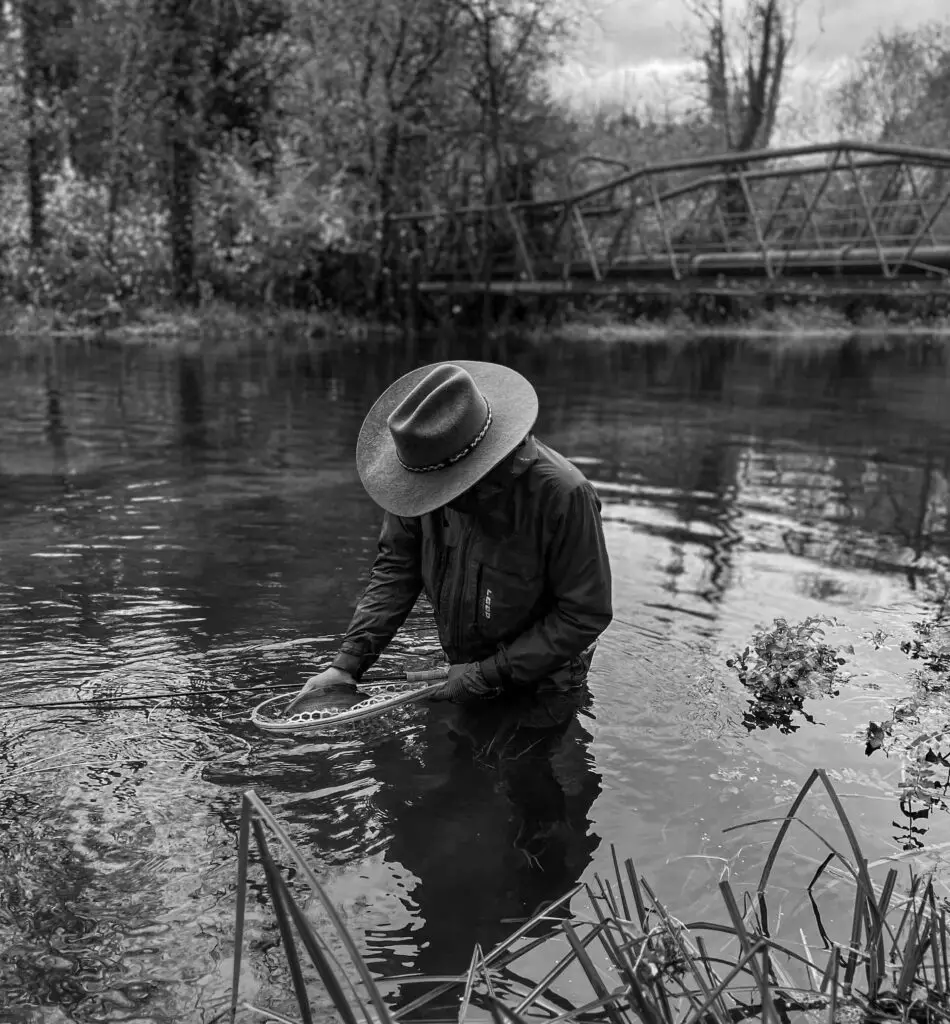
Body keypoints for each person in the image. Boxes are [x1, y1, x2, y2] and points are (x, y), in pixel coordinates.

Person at [290, 359, 613, 707]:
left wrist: (489, 673)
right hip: (461, 666)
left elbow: (584, 614)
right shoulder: (418, 481)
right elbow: (397, 569)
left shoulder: (564, 496)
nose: (431, 496)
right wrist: (348, 663)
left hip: (546, 685)